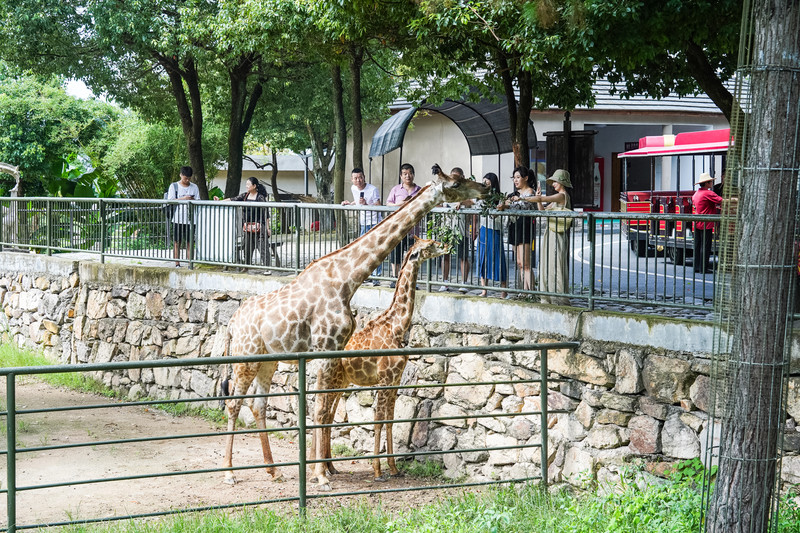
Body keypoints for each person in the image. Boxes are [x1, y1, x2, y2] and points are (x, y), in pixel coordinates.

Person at [530, 169, 572, 305]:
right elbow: (542, 211)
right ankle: (548, 296)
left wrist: (530, 198)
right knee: (548, 263)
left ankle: (558, 297)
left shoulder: (562, 196)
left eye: (555, 181)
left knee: (556, 263)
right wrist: (538, 199)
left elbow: (543, 199)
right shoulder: (557, 197)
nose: (553, 183)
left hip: (558, 234)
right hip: (551, 232)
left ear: (562, 182)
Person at [215, 176, 271, 274]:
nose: (247, 186)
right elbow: (233, 199)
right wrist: (220, 201)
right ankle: (246, 266)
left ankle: (268, 268)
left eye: (248, 184)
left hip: (259, 226)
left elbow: (266, 213)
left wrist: (267, 228)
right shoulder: (245, 196)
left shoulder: (260, 197)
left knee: (262, 247)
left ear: (254, 186)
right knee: (247, 247)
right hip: (247, 226)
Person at [342, 168, 382, 286]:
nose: (358, 180)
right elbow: (357, 201)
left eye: (360, 177)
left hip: (374, 221)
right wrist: (350, 203)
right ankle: (365, 274)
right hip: (363, 222)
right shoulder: (353, 188)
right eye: (355, 178)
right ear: (352, 179)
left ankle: (377, 276)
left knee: (375, 249)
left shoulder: (372, 189)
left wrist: (367, 205)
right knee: (363, 250)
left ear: (364, 177)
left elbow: (379, 205)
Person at [502, 166, 538, 292]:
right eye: (514, 178)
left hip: (525, 227)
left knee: (526, 263)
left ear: (526, 178)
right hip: (515, 226)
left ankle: (531, 292)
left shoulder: (530, 192)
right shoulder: (514, 195)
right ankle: (524, 290)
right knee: (519, 263)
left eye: (518, 177)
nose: (515, 180)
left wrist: (514, 200)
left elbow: (525, 204)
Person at [386, 163, 422, 288]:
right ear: (401, 176)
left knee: (413, 257)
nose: (408, 176)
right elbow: (388, 204)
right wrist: (399, 204)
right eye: (405, 174)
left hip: (413, 229)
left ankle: (412, 280)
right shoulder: (396, 190)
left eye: (410, 173)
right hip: (398, 228)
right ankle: (395, 279)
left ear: (413, 174)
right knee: (396, 254)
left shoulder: (419, 190)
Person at [439, 167, 474, 293]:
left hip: (462, 228)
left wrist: (462, 202)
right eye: (452, 176)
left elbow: (472, 202)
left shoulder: (467, 190)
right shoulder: (446, 190)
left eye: (457, 177)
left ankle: (464, 282)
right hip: (447, 227)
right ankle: (445, 282)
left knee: (463, 257)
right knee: (445, 255)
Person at [475, 172, 508, 298]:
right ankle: (484, 290)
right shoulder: (480, 197)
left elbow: (499, 216)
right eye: (484, 184)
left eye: (488, 184)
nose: (485, 186)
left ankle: (503, 291)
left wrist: (497, 211)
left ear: (493, 185)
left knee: (498, 258)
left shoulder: (500, 198)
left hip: (494, 230)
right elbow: (475, 206)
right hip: (483, 229)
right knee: (482, 258)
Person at [168, 166, 199, 267]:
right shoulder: (174, 186)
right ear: (181, 175)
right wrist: (183, 198)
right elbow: (170, 200)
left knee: (190, 241)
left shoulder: (194, 187)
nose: (187, 180)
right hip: (178, 218)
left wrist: (192, 200)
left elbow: (199, 201)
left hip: (191, 218)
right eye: (185, 178)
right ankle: (177, 263)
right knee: (177, 241)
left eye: (189, 178)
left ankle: (190, 262)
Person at [692, 172, 722, 274]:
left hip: (697, 222)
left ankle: (697, 266)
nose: (712, 183)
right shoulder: (708, 193)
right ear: (707, 183)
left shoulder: (696, 194)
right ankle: (703, 268)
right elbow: (720, 200)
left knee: (698, 245)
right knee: (706, 245)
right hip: (706, 223)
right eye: (710, 181)